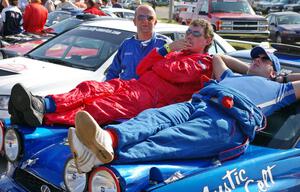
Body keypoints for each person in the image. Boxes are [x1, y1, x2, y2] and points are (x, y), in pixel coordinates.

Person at [68, 46, 300, 173]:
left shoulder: (280, 90)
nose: (257, 59)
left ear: (273, 71)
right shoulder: (231, 76)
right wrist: (250, 68)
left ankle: (103, 158)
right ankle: (108, 138)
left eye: (264, 59)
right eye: (255, 57)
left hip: (226, 122)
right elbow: (217, 57)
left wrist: (280, 78)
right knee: (152, 117)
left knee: (167, 140)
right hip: (197, 103)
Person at [9, 19, 220, 128]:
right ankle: (42, 104)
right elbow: (141, 68)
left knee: (99, 107)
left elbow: (171, 74)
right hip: (134, 85)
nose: (189, 36)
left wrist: (166, 51)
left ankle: (44, 118)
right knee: (90, 87)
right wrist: (165, 51)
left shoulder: (204, 62)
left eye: (196, 34)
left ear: (208, 40)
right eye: (188, 32)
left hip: (150, 100)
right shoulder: (174, 51)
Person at [105, 5, 171, 81]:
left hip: (153, 92)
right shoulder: (126, 44)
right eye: (141, 17)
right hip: (128, 91)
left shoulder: (165, 44)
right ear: (134, 22)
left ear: (155, 22)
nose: (145, 21)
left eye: (150, 18)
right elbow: (112, 73)